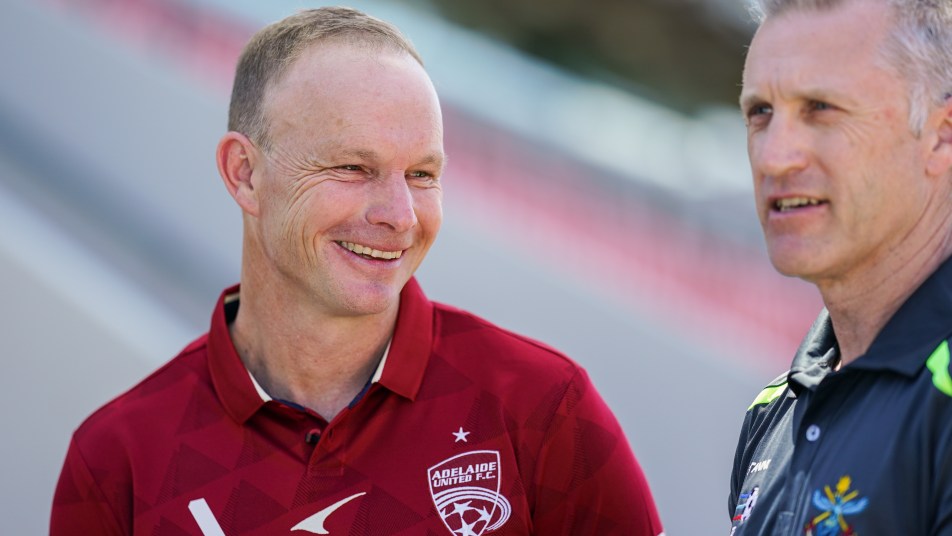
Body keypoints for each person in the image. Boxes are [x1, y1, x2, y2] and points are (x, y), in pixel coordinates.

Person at [50, 7, 664, 536]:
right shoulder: (117, 462)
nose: (400, 215)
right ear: (245, 173)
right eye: (352, 167)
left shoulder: (544, 410)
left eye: (422, 174)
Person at [728, 0, 952, 534]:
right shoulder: (775, 409)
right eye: (761, 113)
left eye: (821, 108)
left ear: (941, 135)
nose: (775, 157)